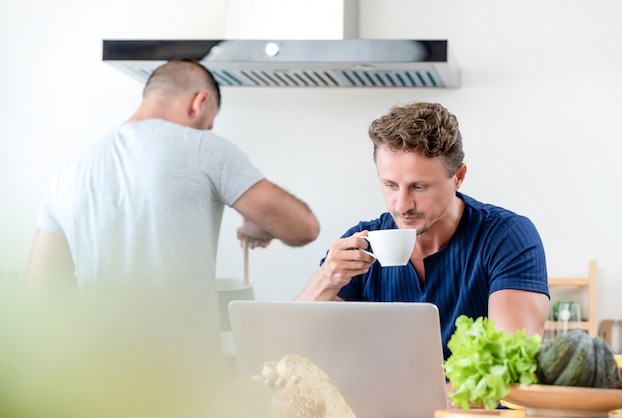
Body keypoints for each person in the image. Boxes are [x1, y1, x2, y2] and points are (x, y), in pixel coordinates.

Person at [25, 58, 320, 292]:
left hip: (90, 366)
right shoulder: (204, 148)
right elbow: (304, 228)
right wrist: (260, 225)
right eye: (207, 124)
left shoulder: (68, 172)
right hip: (182, 366)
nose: (205, 132)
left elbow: (40, 292)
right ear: (199, 102)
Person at [295, 101, 550, 360]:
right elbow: (292, 346)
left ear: (458, 177)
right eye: (391, 185)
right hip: (381, 401)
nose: (402, 205)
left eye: (419, 187)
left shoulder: (506, 237)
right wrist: (327, 278)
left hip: (469, 403)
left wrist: (416, 400)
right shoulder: (360, 243)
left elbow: (510, 364)